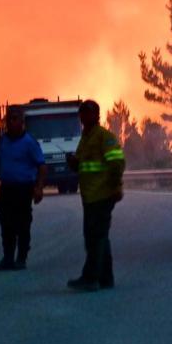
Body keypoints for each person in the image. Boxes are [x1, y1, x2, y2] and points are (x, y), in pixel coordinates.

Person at [66, 100, 126, 292]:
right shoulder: (85, 138)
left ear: (96, 115)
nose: (84, 117)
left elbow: (116, 163)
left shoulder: (104, 137)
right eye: (82, 113)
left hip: (102, 195)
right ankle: (106, 278)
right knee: (100, 238)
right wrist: (73, 163)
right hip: (89, 196)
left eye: (88, 113)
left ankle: (90, 278)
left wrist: (116, 186)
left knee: (94, 238)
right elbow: (83, 165)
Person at [0, 107, 47, 271]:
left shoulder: (29, 142)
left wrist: (39, 188)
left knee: (23, 224)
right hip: (7, 189)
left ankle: (21, 258)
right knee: (6, 224)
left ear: (22, 122)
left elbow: (41, 166)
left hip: (23, 189)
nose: (10, 122)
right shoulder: (4, 140)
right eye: (8, 119)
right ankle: (8, 258)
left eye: (14, 119)